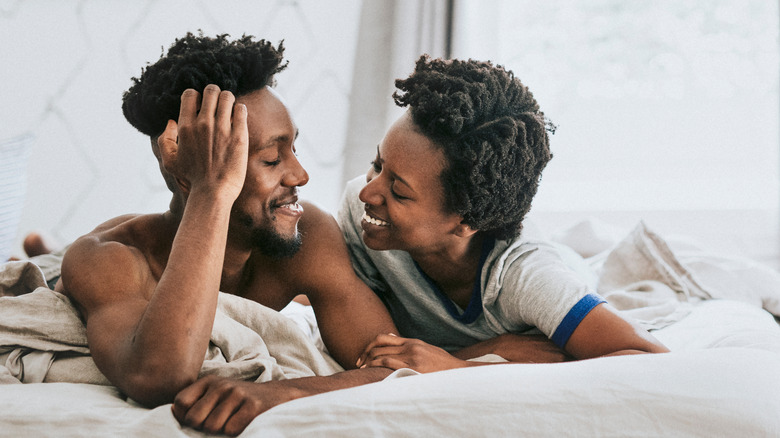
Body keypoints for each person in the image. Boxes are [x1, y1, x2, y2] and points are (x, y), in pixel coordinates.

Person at [55, 32, 400, 435]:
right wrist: (209, 189)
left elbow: (394, 365)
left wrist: (285, 393)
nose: (300, 175)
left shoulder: (309, 233)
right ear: (178, 160)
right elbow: (159, 376)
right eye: (272, 159)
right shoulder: (107, 258)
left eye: (293, 150)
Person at [338, 55, 669, 373]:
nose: (368, 192)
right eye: (377, 164)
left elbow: (651, 359)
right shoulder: (360, 211)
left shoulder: (528, 279)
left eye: (398, 191)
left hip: (564, 267)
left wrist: (459, 368)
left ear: (466, 221)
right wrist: (489, 350)